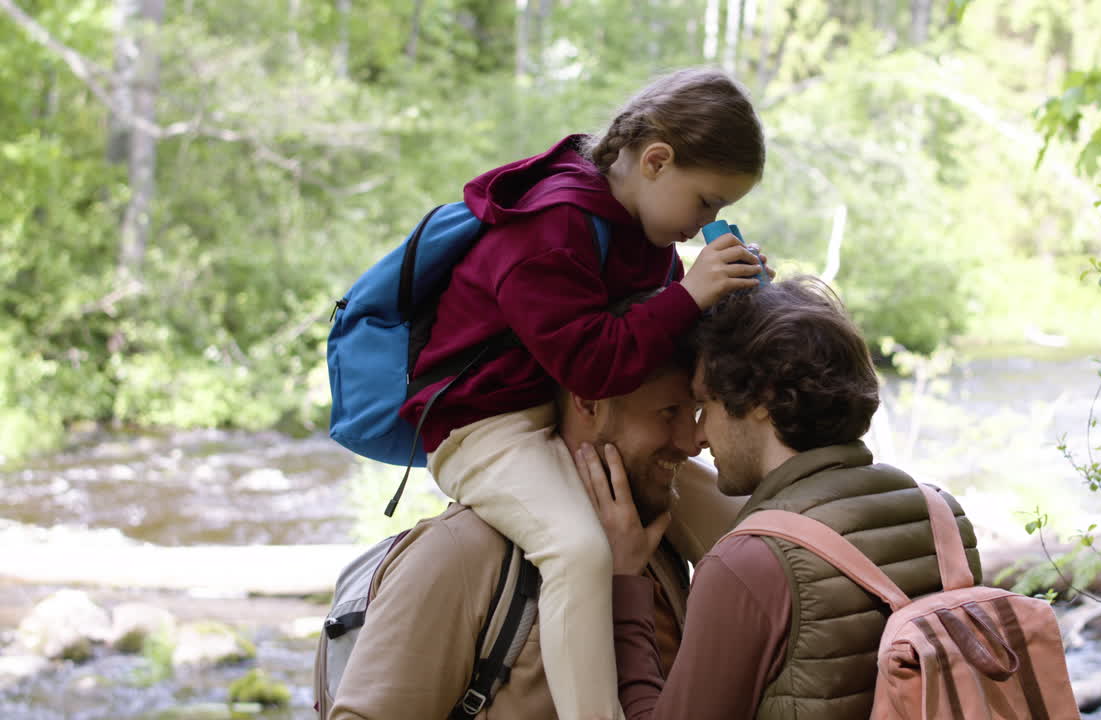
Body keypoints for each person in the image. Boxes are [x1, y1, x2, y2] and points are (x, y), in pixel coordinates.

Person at [396, 67, 767, 719]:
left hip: (577, 417)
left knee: (744, 522)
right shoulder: (549, 222)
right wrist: (688, 292)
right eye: (706, 202)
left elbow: (652, 343)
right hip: (479, 425)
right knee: (577, 549)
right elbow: (594, 363)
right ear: (656, 161)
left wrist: (729, 292)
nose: (707, 220)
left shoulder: (642, 230)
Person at [575, 277, 983, 720]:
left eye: (704, 405)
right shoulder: (943, 514)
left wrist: (624, 584)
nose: (697, 438)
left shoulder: (750, 560)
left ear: (761, 402)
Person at [325, 324, 744, 719]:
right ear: (588, 401)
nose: (691, 443)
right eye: (669, 413)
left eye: (694, 413)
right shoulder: (460, 554)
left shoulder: (659, 538)